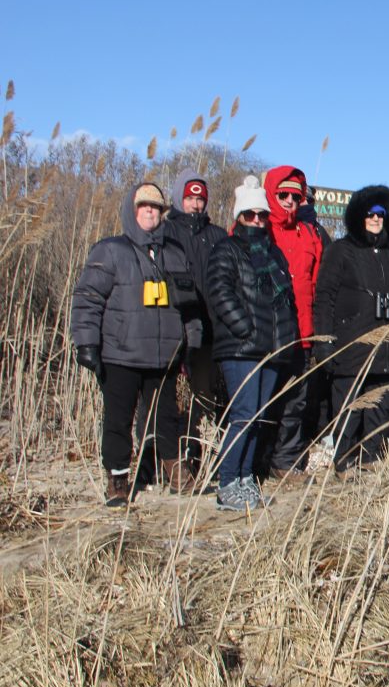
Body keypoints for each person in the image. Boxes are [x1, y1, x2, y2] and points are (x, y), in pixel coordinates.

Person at [71, 183, 200, 506]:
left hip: (164, 354)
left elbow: (189, 304)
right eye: (144, 206)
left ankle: (176, 472)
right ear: (132, 210)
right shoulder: (110, 250)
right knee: (119, 418)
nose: (150, 212)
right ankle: (117, 479)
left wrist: (192, 340)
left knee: (166, 417)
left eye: (156, 208)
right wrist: (86, 343)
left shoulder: (173, 252)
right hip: (121, 354)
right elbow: (88, 300)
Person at [206, 176, 299, 510]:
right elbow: (219, 292)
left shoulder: (273, 254)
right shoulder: (226, 250)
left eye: (262, 214)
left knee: (259, 416)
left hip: (271, 347)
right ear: (238, 216)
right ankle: (227, 481)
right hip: (241, 347)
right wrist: (245, 328)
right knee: (244, 414)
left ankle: (246, 477)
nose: (257, 221)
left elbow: (286, 299)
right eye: (250, 215)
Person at [314, 186, 389, 475]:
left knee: (382, 405)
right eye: (370, 213)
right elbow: (324, 299)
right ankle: (344, 462)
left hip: (387, 348)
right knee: (349, 406)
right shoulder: (339, 251)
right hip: (351, 344)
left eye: (380, 214)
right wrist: (324, 342)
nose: (375, 219)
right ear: (359, 216)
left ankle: (371, 460)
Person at [258, 165, 324, 479]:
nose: (289, 202)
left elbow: (318, 283)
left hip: (304, 332)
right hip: (268, 333)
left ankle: (285, 462)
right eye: (283, 195)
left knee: (297, 401)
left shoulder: (310, 234)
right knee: (265, 399)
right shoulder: (258, 228)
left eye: (295, 197)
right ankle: (258, 460)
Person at [163, 168, 228, 461]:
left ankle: (196, 452)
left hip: (209, 329)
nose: (196, 205)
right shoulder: (165, 232)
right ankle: (163, 454)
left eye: (200, 199)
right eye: (190, 198)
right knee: (166, 396)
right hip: (173, 328)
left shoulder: (216, 235)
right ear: (179, 198)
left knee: (203, 394)